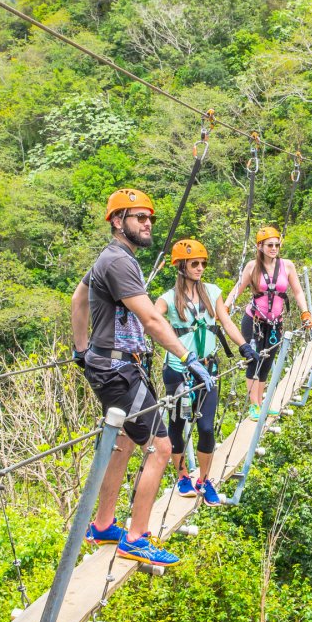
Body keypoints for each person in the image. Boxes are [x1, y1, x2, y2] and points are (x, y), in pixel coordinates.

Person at [71, 188, 215, 566]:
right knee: (162, 448)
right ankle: (135, 538)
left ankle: (103, 525)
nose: (148, 224)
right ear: (118, 222)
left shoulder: (113, 258)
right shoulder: (118, 262)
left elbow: (78, 299)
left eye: (149, 218)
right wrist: (188, 356)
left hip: (112, 365)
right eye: (139, 217)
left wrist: (82, 349)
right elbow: (152, 319)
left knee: (124, 441)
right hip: (119, 370)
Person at [155, 239, 258, 507]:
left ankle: (204, 479)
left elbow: (225, 321)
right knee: (177, 426)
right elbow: (152, 322)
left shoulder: (212, 292)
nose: (200, 268)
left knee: (206, 427)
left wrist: (244, 345)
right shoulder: (167, 299)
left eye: (203, 263)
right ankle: (182, 476)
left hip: (208, 370)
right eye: (194, 264)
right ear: (180, 266)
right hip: (178, 371)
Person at [225, 226, 312, 420]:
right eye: (269, 245)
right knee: (253, 359)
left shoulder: (287, 266)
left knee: (267, 362)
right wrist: (224, 308)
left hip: (275, 323)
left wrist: (305, 312)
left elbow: (297, 291)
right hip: (254, 321)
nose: (274, 248)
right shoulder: (252, 267)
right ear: (260, 246)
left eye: (276, 245)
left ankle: (261, 403)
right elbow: (237, 290)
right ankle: (254, 405)